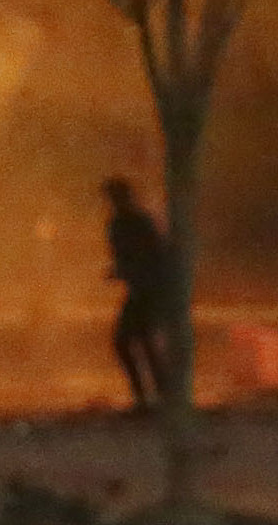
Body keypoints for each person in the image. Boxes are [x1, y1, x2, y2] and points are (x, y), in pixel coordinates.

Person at [102, 176, 175, 412]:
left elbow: (148, 258)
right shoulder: (130, 222)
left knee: (127, 341)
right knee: (142, 342)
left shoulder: (130, 223)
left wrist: (123, 271)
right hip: (146, 289)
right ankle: (158, 396)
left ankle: (149, 397)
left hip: (147, 290)